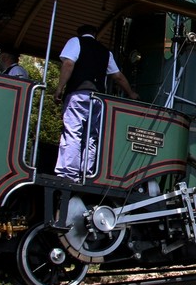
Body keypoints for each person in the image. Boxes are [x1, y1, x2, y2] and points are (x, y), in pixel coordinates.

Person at [54, 24, 139, 181]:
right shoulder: (105, 52)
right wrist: (131, 93)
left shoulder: (75, 41)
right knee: (91, 135)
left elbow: (68, 63)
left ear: (80, 33)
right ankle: (87, 172)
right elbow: (118, 76)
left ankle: (69, 173)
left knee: (73, 131)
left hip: (78, 93)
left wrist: (59, 88)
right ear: (95, 34)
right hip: (98, 98)